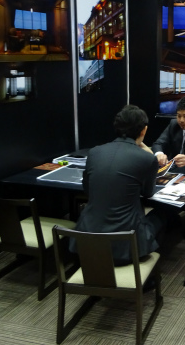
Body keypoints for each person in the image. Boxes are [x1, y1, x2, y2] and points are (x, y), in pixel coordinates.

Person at [72, 104, 171, 264]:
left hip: (88, 240)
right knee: (162, 215)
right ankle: (149, 269)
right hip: (126, 246)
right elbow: (148, 193)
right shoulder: (146, 158)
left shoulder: (95, 152)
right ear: (144, 130)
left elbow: (88, 190)